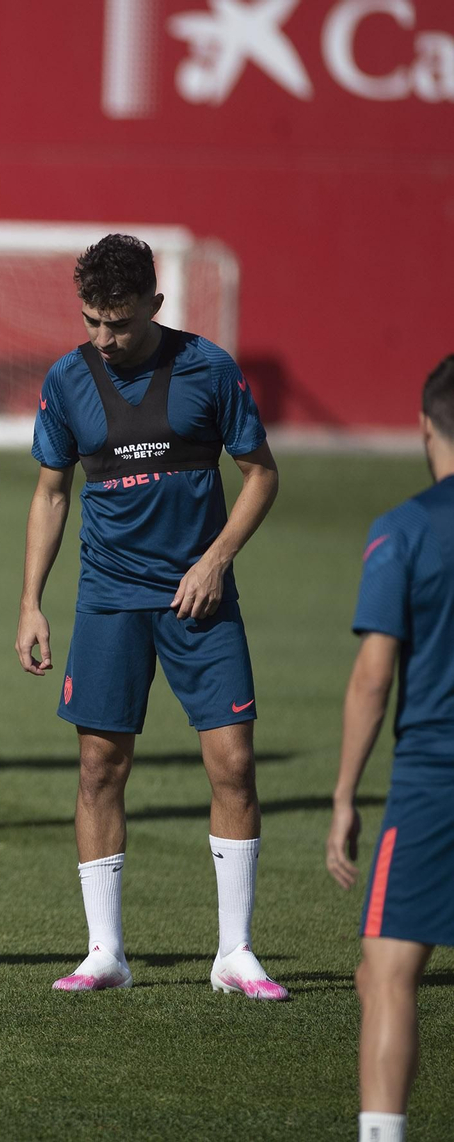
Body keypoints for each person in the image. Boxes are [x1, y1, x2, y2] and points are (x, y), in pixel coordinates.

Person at [16, 233, 284, 997]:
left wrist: (217, 558)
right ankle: (106, 953)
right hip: (107, 596)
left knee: (233, 763)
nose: (104, 338)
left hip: (200, 597)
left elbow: (261, 475)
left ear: (155, 307)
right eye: (93, 321)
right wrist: (31, 601)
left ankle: (234, 953)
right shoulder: (67, 379)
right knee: (100, 767)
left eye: (120, 323)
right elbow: (51, 492)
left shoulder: (210, 367)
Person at [326, 355, 454, 1142]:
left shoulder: (404, 529)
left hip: (433, 779)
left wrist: (344, 797)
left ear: (424, 425)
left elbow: (373, 678)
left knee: (386, 971)